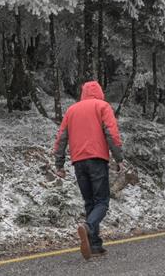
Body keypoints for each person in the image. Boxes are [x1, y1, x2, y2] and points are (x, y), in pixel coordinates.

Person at [52, 80, 125, 260]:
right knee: (102, 202)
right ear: (99, 92)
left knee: (90, 202)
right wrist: (119, 158)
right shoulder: (102, 106)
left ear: (83, 93)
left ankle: (95, 245)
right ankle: (88, 227)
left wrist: (59, 164)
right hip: (97, 159)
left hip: (78, 162)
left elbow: (61, 138)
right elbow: (111, 133)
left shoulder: (71, 110)